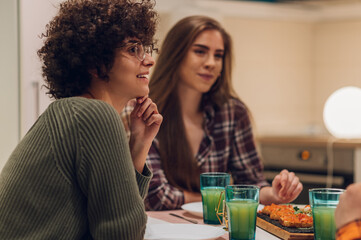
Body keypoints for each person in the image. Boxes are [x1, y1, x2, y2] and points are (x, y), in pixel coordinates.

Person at [0, 0, 162, 239]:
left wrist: (139, 146)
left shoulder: (75, 111)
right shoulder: (94, 115)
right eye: (133, 49)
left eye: (144, 48)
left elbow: (121, 219)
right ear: (95, 64)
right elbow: (123, 234)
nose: (149, 60)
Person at [122, 15, 303, 210]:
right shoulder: (142, 111)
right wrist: (228, 196)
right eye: (200, 52)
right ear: (176, 54)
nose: (211, 63)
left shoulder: (233, 113)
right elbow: (157, 196)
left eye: (218, 55)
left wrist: (273, 194)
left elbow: (252, 185)